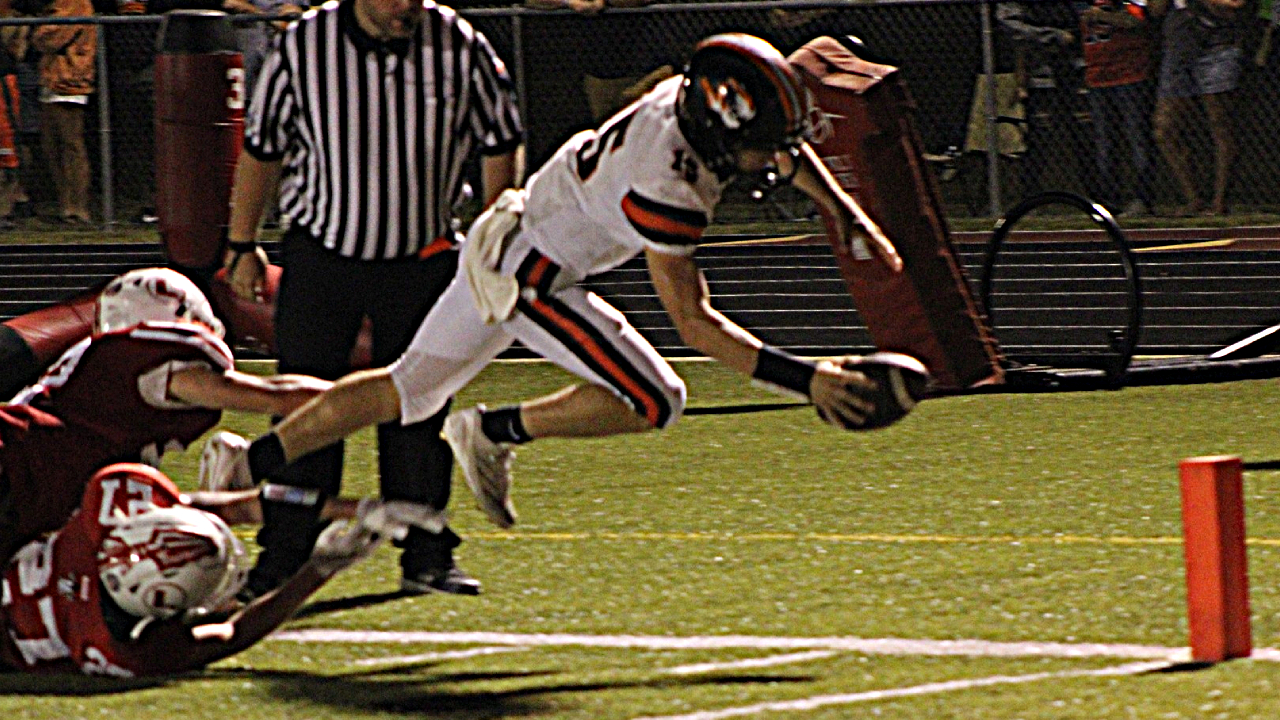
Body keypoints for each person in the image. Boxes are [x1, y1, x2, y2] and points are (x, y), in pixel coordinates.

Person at [211, 34, 902, 534]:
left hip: (512, 239)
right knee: (656, 398)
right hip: (533, 276)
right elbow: (694, 323)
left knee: (405, 386)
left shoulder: (681, 98)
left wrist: (844, 212)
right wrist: (805, 378)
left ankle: (247, 463)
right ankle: (492, 430)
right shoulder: (668, 182)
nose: (771, 159)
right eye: (761, 144)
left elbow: (784, 145)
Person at [221, 0, 523, 600]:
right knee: (307, 409)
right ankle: (283, 555)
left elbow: (501, 140)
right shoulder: (305, 45)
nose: (405, 6)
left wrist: (495, 232)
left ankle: (426, 551)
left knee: (419, 408)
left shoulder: (456, 40)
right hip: (322, 255)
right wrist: (241, 243)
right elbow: (262, 150)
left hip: (421, 257)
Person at [0, 267, 331, 565]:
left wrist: (356, 511)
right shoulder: (144, 363)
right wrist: (361, 397)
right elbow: (272, 396)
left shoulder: (95, 380)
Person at [0, 461, 443, 676]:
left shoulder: (110, 505)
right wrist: (320, 569)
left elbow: (222, 509)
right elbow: (232, 632)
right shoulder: (120, 647)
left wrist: (357, 510)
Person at [1151, 0, 1248, 216]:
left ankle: (1219, 202)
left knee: (1220, 124)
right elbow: (1154, 10)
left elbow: (1236, 5)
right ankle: (1193, 198)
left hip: (1217, 47)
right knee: (1164, 129)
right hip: (1179, 51)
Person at [997, 1, 1084, 200]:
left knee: (1084, 137)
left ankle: (1101, 196)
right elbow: (1014, 29)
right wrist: (1055, 37)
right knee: (1037, 138)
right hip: (1040, 73)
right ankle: (1030, 196)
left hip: (1076, 69)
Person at [1080, 0, 1158, 216]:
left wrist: (1104, 16)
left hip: (1130, 77)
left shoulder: (1128, 4)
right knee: (1104, 144)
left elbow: (1138, 20)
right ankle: (1108, 201)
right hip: (1097, 78)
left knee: (1138, 140)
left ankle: (1142, 198)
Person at [30, 0, 95, 225]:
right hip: (51, 78)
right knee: (51, 145)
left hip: (69, 78)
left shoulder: (75, 2)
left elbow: (50, 37)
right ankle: (64, 203)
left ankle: (77, 207)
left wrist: (38, 32)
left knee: (71, 144)